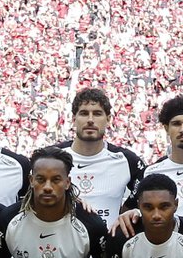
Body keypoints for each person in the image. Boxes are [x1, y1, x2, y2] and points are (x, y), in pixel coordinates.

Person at [0, 147, 113, 258]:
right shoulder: (8, 219)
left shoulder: (91, 224)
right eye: (41, 179)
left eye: (56, 180)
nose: (48, 187)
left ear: (67, 182)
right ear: (31, 180)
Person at [56, 87, 145, 227]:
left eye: (97, 114)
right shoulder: (53, 157)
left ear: (108, 119)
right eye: (84, 114)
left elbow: (146, 198)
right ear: (73, 119)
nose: (90, 120)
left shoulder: (127, 160)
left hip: (109, 247)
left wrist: (131, 211)